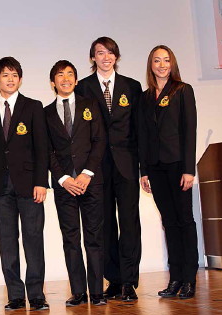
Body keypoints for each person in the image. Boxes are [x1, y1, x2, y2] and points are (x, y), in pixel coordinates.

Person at [75, 37, 143, 301]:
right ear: (92, 57)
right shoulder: (83, 88)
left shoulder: (132, 87)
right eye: (100, 53)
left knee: (129, 223)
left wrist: (144, 168)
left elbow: (140, 131)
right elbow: (81, 133)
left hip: (126, 164)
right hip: (97, 168)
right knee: (102, 225)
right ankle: (113, 279)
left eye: (110, 52)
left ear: (117, 56)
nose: (106, 57)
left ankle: (129, 281)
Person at [0, 57, 49, 311]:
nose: (9, 79)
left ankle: (36, 294)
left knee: (33, 240)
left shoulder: (33, 107)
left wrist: (42, 182)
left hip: (30, 185)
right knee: (7, 242)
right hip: (0, 188)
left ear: (20, 79)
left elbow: (42, 148)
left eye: (14, 75)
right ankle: (15, 295)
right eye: (4, 75)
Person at [138, 45, 198, 299]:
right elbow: (142, 135)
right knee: (169, 222)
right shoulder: (145, 96)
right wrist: (144, 170)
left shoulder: (183, 90)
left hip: (177, 166)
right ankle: (175, 278)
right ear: (150, 65)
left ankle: (189, 279)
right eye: (156, 60)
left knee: (184, 220)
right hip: (155, 167)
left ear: (172, 64)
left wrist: (188, 169)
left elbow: (189, 130)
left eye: (166, 60)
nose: (162, 65)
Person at [45, 60, 106, 307]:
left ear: (77, 80)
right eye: (60, 75)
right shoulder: (46, 113)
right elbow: (46, 150)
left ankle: (97, 291)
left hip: (91, 182)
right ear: (53, 83)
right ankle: (78, 291)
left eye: (70, 74)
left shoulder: (90, 105)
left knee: (94, 237)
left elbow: (99, 141)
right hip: (64, 186)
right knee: (70, 238)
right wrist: (63, 179)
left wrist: (86, 173)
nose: (66, 78)